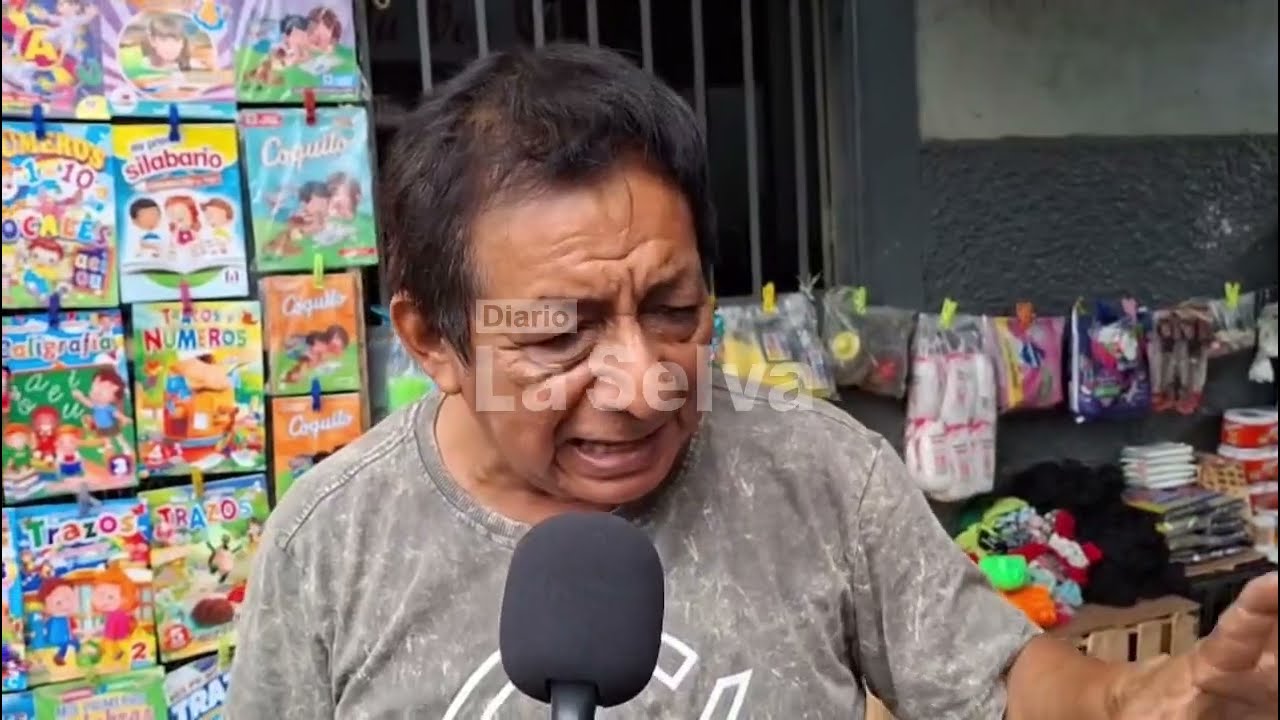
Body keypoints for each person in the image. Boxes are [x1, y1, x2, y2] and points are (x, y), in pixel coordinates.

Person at [228, 44, 1278, 718]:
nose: (643, 384)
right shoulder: (334, 544)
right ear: (431, 340)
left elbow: (997, 681)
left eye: (674, 309)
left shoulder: (818, 470)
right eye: (558, 335)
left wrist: (1153, 697)